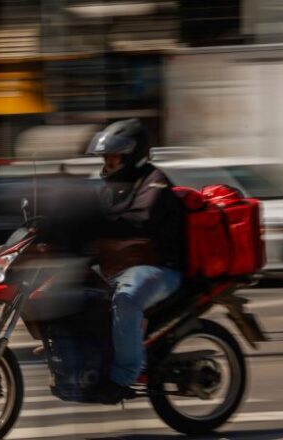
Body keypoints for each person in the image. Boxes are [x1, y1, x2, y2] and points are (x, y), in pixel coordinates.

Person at [86, 118, 185, 405]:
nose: (108, 162)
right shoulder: (109, 187)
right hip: (120, 267)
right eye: (106, 157)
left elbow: (140, 219)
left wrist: (95, 225)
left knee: (125, 299)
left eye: (114, 156)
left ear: (132, 155)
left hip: (158, 268)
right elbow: (89, 215)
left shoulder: (154, 182)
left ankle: (123, 376)